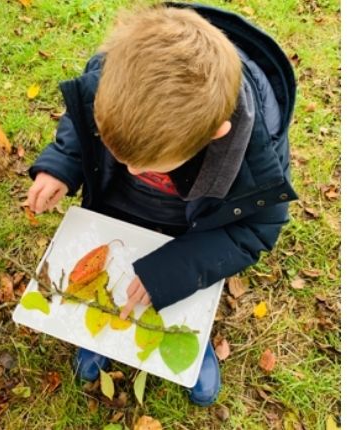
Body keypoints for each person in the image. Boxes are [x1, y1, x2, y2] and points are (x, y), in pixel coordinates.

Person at [25, 3, 297, 406]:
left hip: (191, 233)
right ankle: (98, 333)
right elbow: (80, 122)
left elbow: (256, 228)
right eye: (120, 154)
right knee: (112, 281)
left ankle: (191, 338)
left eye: (148, 164)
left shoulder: (255, 157)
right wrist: (61, 165)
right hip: (116, 211)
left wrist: (172, 274)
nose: (132, 169)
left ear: (215, 135)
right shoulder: (113, 76)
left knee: (173, 287)